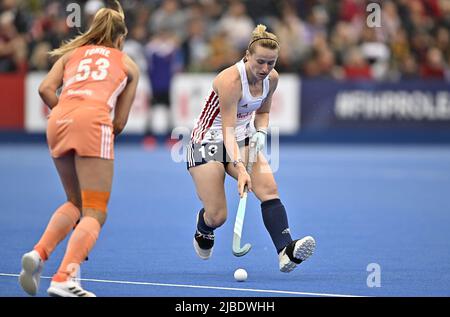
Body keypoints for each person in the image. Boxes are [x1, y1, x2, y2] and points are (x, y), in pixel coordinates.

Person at [18, 1, 139, 297]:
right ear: (120, 38)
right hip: (93, 121)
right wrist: (93, 126)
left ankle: (38, 254)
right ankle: (63, 277)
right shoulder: (126, 63)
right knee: (95, 210)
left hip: (58, 119)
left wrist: (68, 113)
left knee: (75, 201)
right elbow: (120, 122)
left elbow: (45, 89)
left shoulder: (72, 54)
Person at [187, 24, 315, 272]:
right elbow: (226, 131)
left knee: (268, 187)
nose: (265, 69)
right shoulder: (231, 81)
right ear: (247, 55)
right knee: (218, 216)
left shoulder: (272, 79)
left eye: (271, 63)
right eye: (260, 62)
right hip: (208, 141)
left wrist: (261, 132)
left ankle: (285, 250)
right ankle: (204, 227)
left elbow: (263, 112)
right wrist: (240, 169)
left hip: (243, 137)